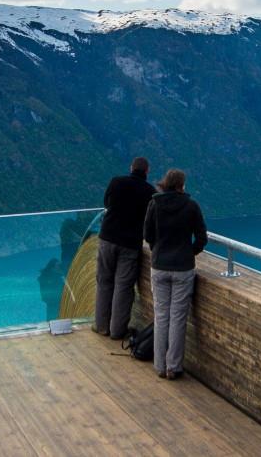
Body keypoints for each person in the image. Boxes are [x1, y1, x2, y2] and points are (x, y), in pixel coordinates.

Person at [143, 169, 206, 380]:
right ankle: (173, 367)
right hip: (183, 268)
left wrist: (157, 250)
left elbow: (147, 234)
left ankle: (159, 366)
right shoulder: (191, 206)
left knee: (161, 316)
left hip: (159, 266)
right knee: (178, 317)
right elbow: (201, 237)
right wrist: (190, 252)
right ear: (181, 185)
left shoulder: (154, 204)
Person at [94, 157, 155, 339]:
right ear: (147, 171)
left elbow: (107, 203)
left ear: (131, 168)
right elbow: (149, 219)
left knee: (104, 282)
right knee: (123, 286)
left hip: (108, 238)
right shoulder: (150, 192)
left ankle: (101, 326)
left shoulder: (117, 182)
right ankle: (117, 331)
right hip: (130, 244)